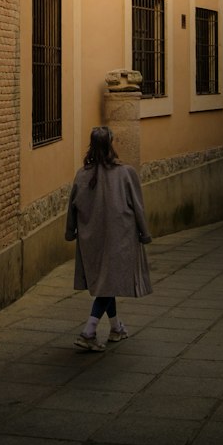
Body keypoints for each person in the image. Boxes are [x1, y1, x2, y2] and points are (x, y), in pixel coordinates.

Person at [65, 125, 152, 351]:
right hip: (119, 238)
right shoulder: (125, 173)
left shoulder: (82, 175)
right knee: (108, 283)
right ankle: (89, 331)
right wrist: (144, 232)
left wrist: (70, 231)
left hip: (91, 239)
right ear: (111, 144)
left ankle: (116, 328)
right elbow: (138, 206)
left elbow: (72, 207)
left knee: (106, 281)